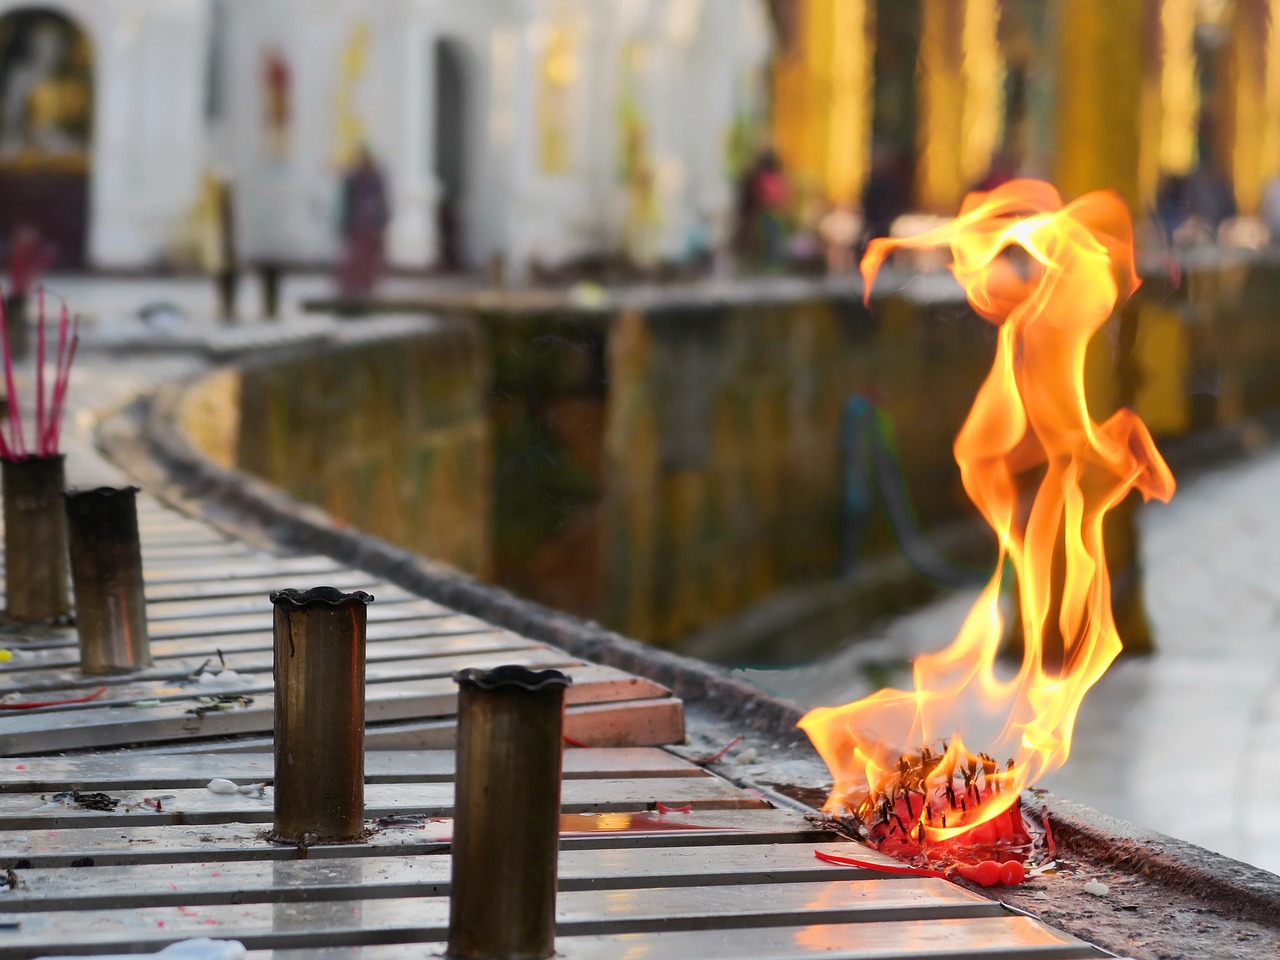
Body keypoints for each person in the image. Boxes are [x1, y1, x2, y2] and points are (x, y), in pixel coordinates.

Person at [337, 146, 391, 300]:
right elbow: (347, 204)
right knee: (355, 262)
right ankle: (352, 292)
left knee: (368, 264)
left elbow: (381, 203)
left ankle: (365, 291)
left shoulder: (375, 178)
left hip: (370, 227)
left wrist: (380, 221)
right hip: (358, 226)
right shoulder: (353, 179)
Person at [4, 225, 56, 360]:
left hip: (20, 293)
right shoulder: (19, 251)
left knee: (17, 324)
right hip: (15, 291)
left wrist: (27, 282)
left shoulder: (29, 252)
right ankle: (15, 351)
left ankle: (19, 352)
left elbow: (34, 268)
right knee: (12, 323)